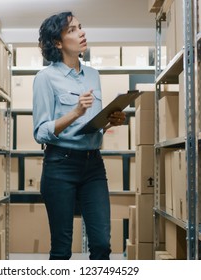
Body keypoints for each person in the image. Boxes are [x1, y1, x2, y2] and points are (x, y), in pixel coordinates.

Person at [32, 11, 126, 260]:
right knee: (62, 250)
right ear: (58, 42)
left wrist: (110, 120)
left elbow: (91, 124)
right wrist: (74, 112)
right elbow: (40, 132)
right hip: (60, 166)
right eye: (72, 30)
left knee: (101, 245)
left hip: (93, 165)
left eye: (80, 27)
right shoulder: (45, 78)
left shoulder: (93, 75)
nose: (81, 32)